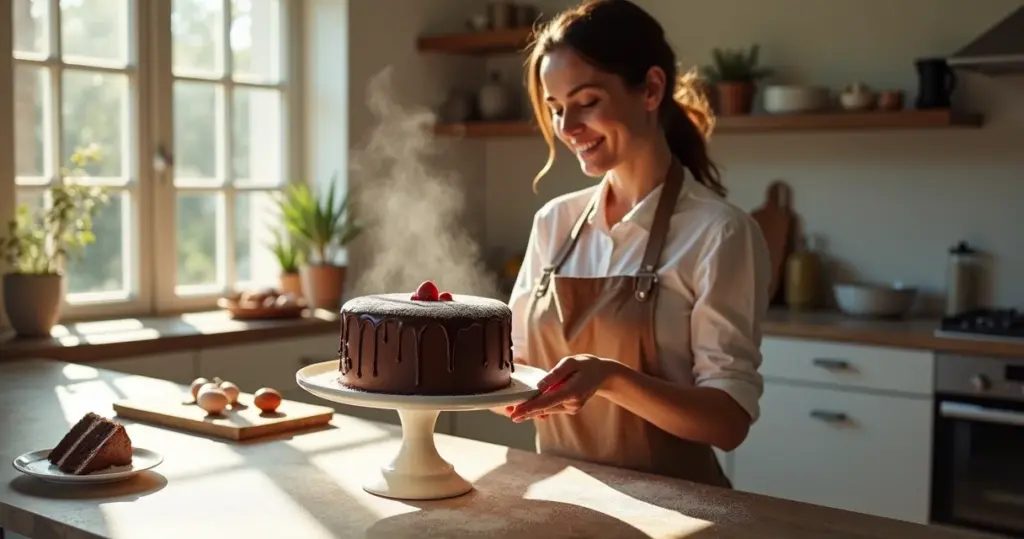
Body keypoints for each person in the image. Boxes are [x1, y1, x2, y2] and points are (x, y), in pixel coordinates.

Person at [497, 0, 772, 488]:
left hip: (678, 512)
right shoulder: (554, 223)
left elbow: (728, 422)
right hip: (564, 503)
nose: (567, 128)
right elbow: (513, 372)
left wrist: (611, 378)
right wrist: (457, 356)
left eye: (586, 102)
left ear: (650, 88)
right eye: (557, 108)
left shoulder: (719, 233)